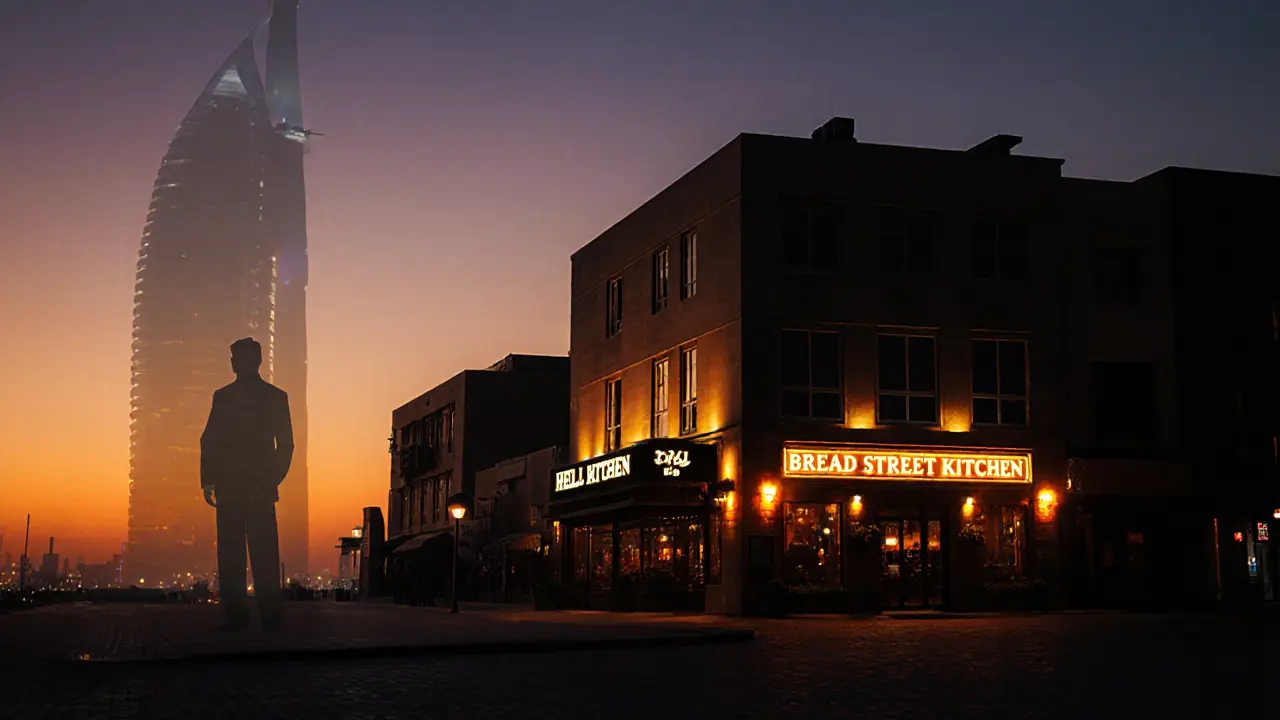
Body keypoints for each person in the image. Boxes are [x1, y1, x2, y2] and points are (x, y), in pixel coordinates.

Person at [200, 337, 294, 629]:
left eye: (235, 357)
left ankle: (237, 617)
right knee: (262, 552)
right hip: (254, 487)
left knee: (232, 553)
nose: (233, 362)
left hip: (232, 487)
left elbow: (209, 440)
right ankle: (269, 615)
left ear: (248, 361)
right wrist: (272, 478)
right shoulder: (274, 397)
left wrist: (210, 480)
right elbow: (286, 445)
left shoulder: (225, 397)